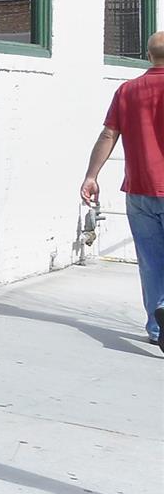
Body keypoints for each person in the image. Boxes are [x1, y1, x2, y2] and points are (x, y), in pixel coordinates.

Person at [81, 31, 164, 354]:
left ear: (148, 56)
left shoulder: (127, 90)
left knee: (150, 261)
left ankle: (157, 327)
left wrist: (91, 175)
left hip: (140, 190)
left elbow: (108, 134)